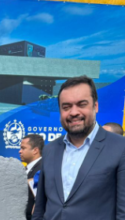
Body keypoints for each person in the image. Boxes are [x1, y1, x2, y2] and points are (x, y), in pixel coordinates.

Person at [32, 76, 125, 220]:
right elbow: (40, 209)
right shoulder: (50, 150)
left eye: (82, 104)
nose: (74, 112)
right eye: (66, 107)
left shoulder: (120, 148)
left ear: (95, 106)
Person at [19, 134, 44, 220]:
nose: (20, 151)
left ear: (35, 150)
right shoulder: (25, 168)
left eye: (23, 148)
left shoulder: (43, 169)